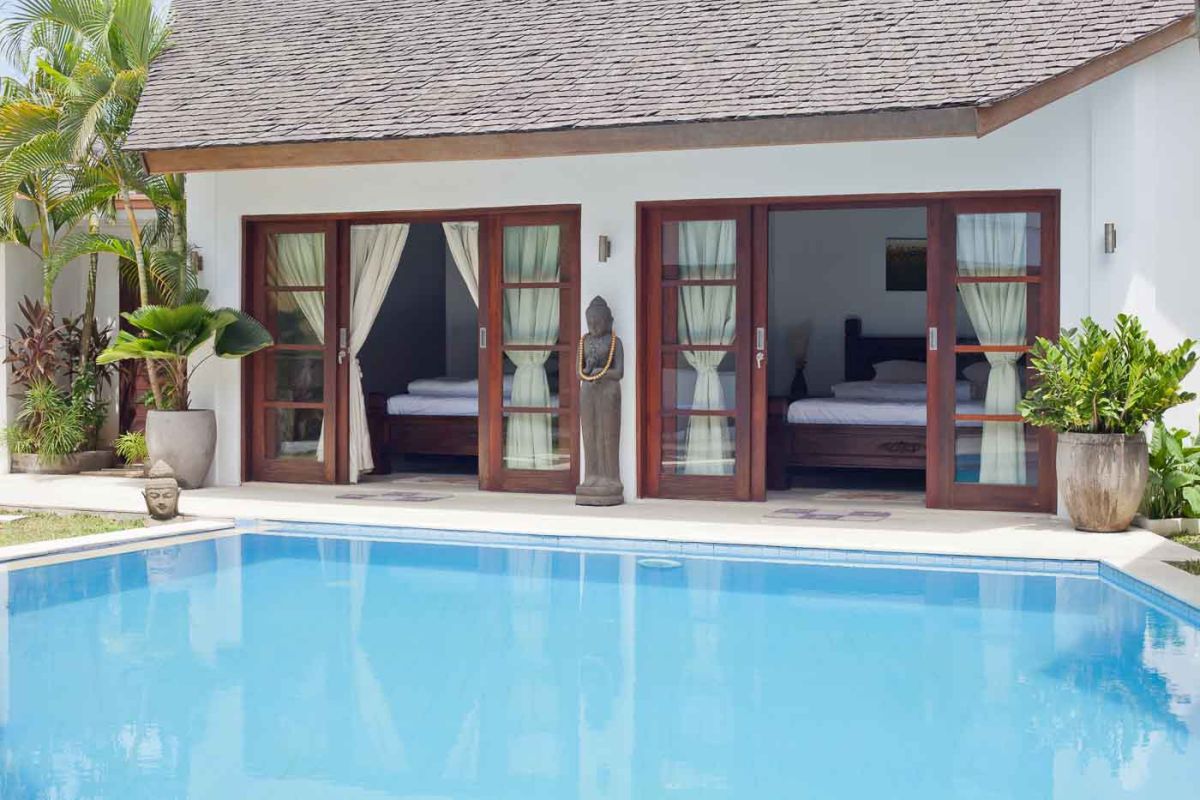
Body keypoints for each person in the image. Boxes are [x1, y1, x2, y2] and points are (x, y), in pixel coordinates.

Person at [577, 296, 624, 506]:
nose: (594, 327)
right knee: (589, 434)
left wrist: (600, 372)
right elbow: (579, 372)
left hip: (608, 392)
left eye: (598, 322)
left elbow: (619, 372)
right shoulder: (584, 342)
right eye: (590, 323)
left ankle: (611, 478)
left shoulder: (615, 342)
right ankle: (591, 476)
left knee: (608, 435)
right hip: (588, 390)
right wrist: (589, 369)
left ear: (609, 322)